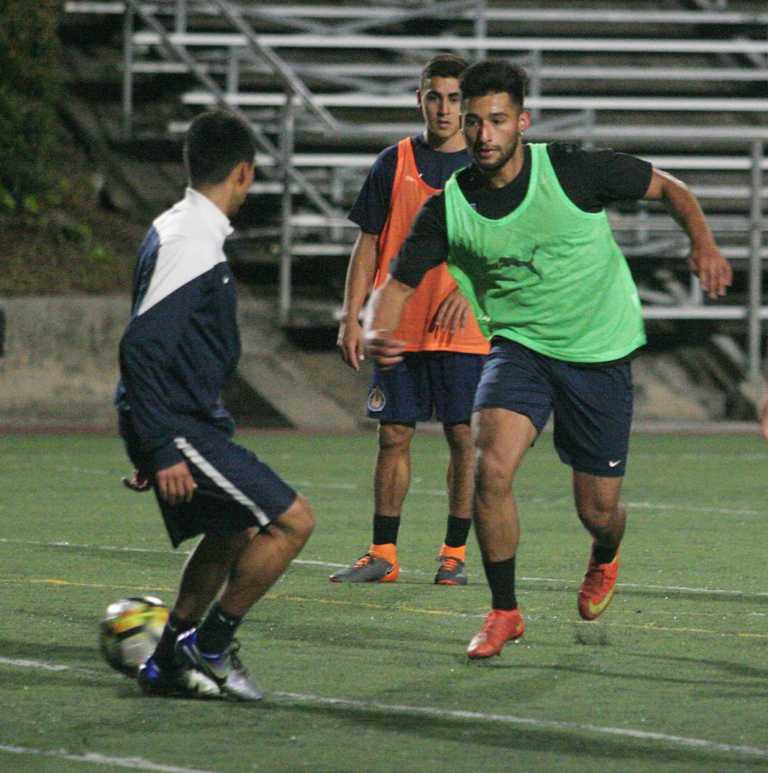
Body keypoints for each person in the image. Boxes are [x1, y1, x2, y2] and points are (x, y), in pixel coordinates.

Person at [363, 60, 732, 658]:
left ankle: (605, 552)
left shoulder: (571, 169)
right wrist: (377, 325)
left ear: (522, 123)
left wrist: (704, 244)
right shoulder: (450, 205)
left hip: (598, 353)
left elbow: (670, 187)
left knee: (599, 509)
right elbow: (397, 284)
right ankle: (504, 610)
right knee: (490, 468)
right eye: (475, 121)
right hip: (520, 349)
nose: (483, 134)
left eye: (498, 121)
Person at [116, 109, 315, 699]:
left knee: (230, 529)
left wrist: (149, 433)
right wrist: (158, 442)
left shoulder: (182, 228)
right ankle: (209, 645)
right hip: (177, 427)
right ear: (244, 173)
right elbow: (142, 346)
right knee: (293, 521)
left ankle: (168, 660)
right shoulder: (190, 240)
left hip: (181, 423)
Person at [330, 54, 490, 587]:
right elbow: (368, 244)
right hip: (398, 325)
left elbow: (513, 247)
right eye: (434, 97)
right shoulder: (391, 163)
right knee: (393, 434)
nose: (444, 109)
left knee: (463, 437)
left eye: (454, 98)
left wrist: (473, 293)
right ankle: (383, 553)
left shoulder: (489, 165)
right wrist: (352, 316)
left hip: (461, 330)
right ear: (418, 100)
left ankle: (454, 554)